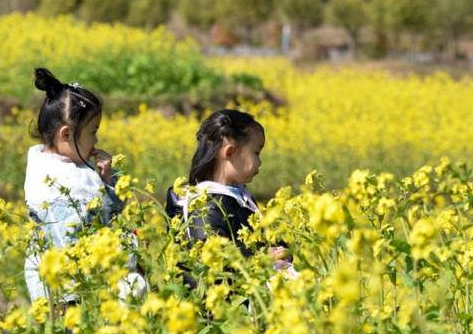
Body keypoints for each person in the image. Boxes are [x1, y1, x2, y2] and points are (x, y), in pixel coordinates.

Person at [24, 68, 145, 306]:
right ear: (66, 134)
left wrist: (108, 178)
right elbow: (85, 237)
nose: (97, 141)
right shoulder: (62, 185)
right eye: (93, 132)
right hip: (73, 297)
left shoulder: (57, 168)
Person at [165, 109, 296, 280]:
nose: (260, 162)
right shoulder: (204, 204)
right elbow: (213, 257)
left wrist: (282, 251)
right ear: (230, 152)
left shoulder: (238, 196)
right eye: (256, 152)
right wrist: (261, 257)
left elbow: (261, 238)